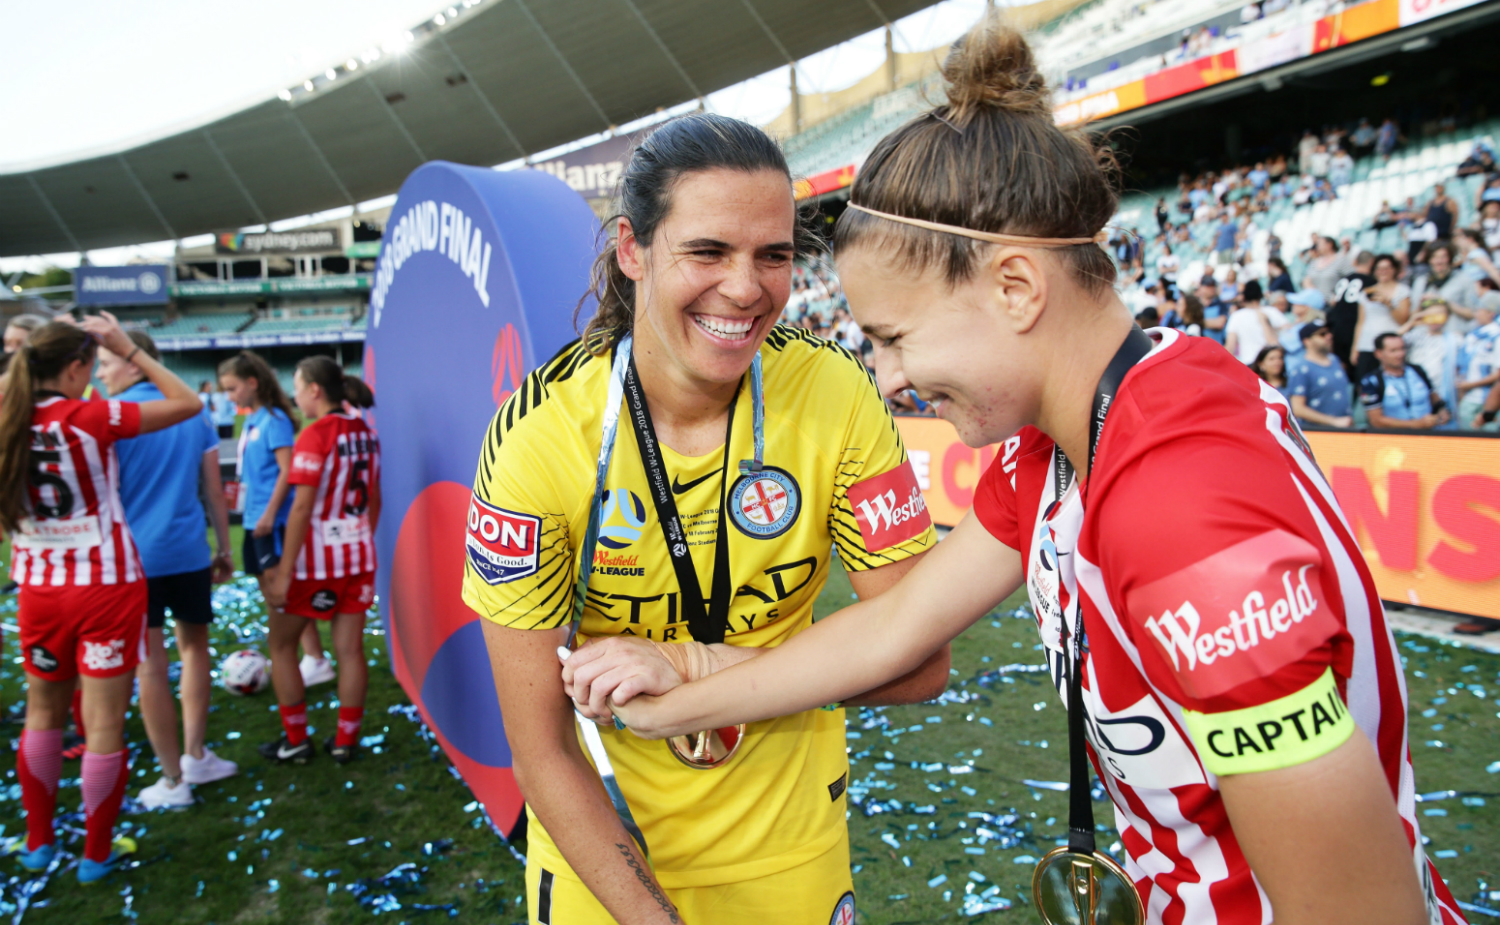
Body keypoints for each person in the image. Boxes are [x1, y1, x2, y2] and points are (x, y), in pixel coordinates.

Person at [580, 16, 1465, 925]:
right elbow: (894, 632)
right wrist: (683, 677)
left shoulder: (1179, 503)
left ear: (1014, 288)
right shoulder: (1070, 438)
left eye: (895, 337)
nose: (885, 375)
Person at [467, 112, 949, 925]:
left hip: (791, 848)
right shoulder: (537, 437)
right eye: (707, 251)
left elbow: (920, 662)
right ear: (632, 249)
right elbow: (542, 750)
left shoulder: (835, 391)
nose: (746, 288)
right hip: (607, 864)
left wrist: (696, 665)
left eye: (774, 255)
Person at [0, 314, 202, 882]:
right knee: (104, 722)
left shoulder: (6, 416)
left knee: (41, 714)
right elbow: (187, 403)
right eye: (90, 365)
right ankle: (95, 853)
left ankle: (38, 842)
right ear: (74, 368)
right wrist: (127, 350)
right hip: (105, 587)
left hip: (38, 589)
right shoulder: (90, 416)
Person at [96, 333, 238, 809]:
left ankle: (174, 779)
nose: (100, 372)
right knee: (194, 649)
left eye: (105, 362)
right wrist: (223, 547)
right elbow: (215, 490)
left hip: (135, 560)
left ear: (134, 364)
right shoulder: (190, 408)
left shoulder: (113, 416)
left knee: (150, 666)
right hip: (187, 551)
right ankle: (195, 755)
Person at [260, 357, 380, 766]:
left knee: (281, 645)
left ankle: (295, 740)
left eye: (296, 386)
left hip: (316, 566)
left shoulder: (315, 435)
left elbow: (300, 509)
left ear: (314, 389)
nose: (294, 395)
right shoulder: (364, 430)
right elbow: (374, 502)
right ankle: (345, 742)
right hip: (359, 558)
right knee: (349, 651)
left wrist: (285, 572)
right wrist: (359, 538)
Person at [218, 353, 334, 689]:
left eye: (232, 388)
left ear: (252, 383)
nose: (229, 396)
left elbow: (288, 470)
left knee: (286, 594)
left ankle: (314, 657)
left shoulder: (276, 419)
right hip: (255, 519)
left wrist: (270, 512)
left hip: (272, 521)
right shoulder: (253, 420)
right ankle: (306, 656)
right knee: (269, 590)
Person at [1360, 332, 1450, 430]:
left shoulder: (1417, 370)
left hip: (1427, 436)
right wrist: (1416, 424)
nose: (1400, 354)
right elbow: (1376, 420)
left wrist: (1442, 411)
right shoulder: (1370, 381)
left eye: (1402, 348)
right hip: (1393, 440)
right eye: (1393, 351)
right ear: (1378, 354)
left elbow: (1434, 398)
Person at [1351, 254, 1411, 380]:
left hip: (1391, 345)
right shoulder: (1366, 292)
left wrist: (1388, 304)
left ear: (1394, 270)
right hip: (1367, 344)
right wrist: (1355, 347)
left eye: (1387, 268)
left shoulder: (1402, 291)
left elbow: (1404, 320)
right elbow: (1361, 322)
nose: (1383, 272)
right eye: (1379, 268)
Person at [1400, 302, 1462, 418]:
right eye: (1430, 314)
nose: (1434, 319)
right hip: (1416, 388)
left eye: (1439, 314)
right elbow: (1390, 342)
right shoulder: (1415, 335)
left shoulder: (1455, 339)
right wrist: (1411, 322)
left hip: (1443, 390)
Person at [1288, 322, 1354, 428]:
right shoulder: (1300, 369)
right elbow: (1297, 409)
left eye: (1328, 332)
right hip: (1318, 433)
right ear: (1307, 341)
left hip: (1345, 429)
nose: (1329, 336)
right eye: (1322, 334)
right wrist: (1334, 421)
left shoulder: (1335, 360)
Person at [1411, 242, 1479, 336]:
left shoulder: (1464, 278)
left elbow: (1473, 314)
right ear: (1429, 260)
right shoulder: (1421, 281)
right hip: (1427, 337)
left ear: (1450, 259)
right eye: (1434, 257)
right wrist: (1421, 303)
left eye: (1443, 257)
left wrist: (1445, 302)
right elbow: (1413, 315)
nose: (1439, 261)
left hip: (1455, 333)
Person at [1456, 301, 1500, 427]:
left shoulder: (1497, 335)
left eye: (1479, 310)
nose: (1476, 314)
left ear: (1491, 313)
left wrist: (1487, 414)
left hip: (1487, 399)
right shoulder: (1474, 335)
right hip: (1472, 398)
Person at [1224, 280, 1284, 364]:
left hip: (1248, 364)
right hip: (1271, 364)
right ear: (1260, 295)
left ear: (1244, 296)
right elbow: (1288, 333)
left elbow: (1230, 347)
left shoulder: (1236, 316)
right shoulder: (1273, 311)